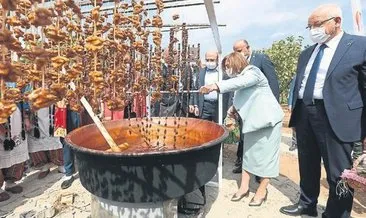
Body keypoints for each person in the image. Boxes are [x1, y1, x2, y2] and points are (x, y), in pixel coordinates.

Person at [280, 4, 366, 218]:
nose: (312, 30)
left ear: (337, 21)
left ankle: (336, 213)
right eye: (309, 26)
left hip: (338, 117)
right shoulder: (307, 53)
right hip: (305, 114)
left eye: (317, 24)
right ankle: (307, 204)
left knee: (338, 173)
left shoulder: (359, 46)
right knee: (307, 164)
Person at [200, 52, 283, 206]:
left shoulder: (253, 73)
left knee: (267, 157)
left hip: (269, 121)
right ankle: (244, 187)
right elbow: (242, 95)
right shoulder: (241, 79)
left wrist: (215, 86)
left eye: (228, 66)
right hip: (253, 123)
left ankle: (262, 190)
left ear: (237, 64)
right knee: (248, 154)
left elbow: (241, 83)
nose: (227, 70)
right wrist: (232, 110)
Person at [232, 40, 279, 174]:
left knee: (260, 139)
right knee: (243, 135)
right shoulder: (238, 64)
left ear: (248, 48)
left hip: (260, 108)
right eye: (236, 51)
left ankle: (260, 171)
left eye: (240, 51)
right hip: (244, 107)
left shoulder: (261, 59)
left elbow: (273, 82)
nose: (238, 54)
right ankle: (243, 163)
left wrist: (272, 106)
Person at [0, 100, 30, 202]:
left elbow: (22, 98)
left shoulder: (15, 84)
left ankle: (10, 182)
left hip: (16, 119)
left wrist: (26, 118)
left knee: (16, 151)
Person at [189, 50, 231, 122]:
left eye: (212, 60)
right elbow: (195, 88)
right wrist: (194, 104)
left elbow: (230, 91)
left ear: (218, 60)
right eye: (207, 60)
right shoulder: (201, 72)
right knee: (203, 128)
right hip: (204, 105)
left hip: (219, 105)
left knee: (218, 128)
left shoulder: (224, 73)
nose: (209, 62)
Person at [28, 105, 64, 179]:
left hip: (50, 107)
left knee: (52, 135)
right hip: (33, 109)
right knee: (35, 139)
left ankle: (60, 163)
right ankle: (44, 166)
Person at [60, 107, 80, 189]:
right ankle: (69, 173)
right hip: (64, 111)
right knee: (66, 141)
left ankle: (87, 167)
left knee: (84, 138)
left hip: (80, 107)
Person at [287, 75, 297, 151]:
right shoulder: (296, 76)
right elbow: (291, 91)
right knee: (294, 125)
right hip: (295, 105)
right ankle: (294, 143)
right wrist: (290, 104)